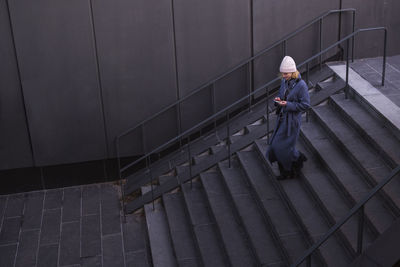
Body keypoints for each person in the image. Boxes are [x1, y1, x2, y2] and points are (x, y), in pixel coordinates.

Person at [266, 56, 310, 179]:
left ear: (292, 71)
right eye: (282, 73)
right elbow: (281, 95)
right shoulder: (284, 81)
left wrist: (288, 105)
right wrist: (278, 100)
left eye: (285, 73)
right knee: (279, 146)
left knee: (280, 146)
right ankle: (294, 162)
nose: (283, 75)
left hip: (292, 121)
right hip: (282, 119)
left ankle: (290, 166)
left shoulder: (301, 85)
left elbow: (305, 105)